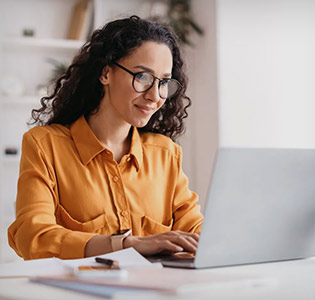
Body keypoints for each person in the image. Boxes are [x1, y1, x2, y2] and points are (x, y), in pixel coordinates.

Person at [8, 16, 203, 260]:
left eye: (163, 82)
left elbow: (196, 233)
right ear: (106, 73)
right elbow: (33, 237)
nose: (155, 96)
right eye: (142, 76)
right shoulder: (45, 145)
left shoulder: (165, 153)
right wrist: (127, 244)